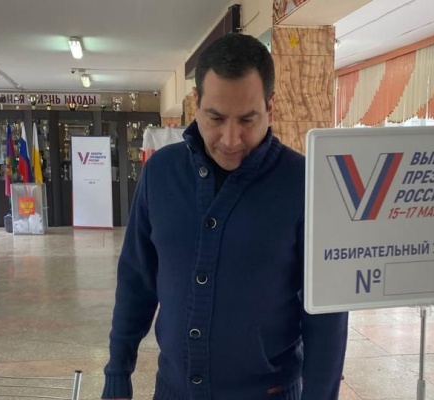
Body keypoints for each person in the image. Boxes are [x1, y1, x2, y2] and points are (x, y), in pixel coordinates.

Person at [102, 33, 348, 400]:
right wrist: (118, 374)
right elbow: (136, 281)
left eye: (248, 119)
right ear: (196, 103)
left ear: (271, 107)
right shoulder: (160, 174)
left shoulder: (305, 183)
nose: (231, 139)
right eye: (215, 118)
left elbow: (326, 316)